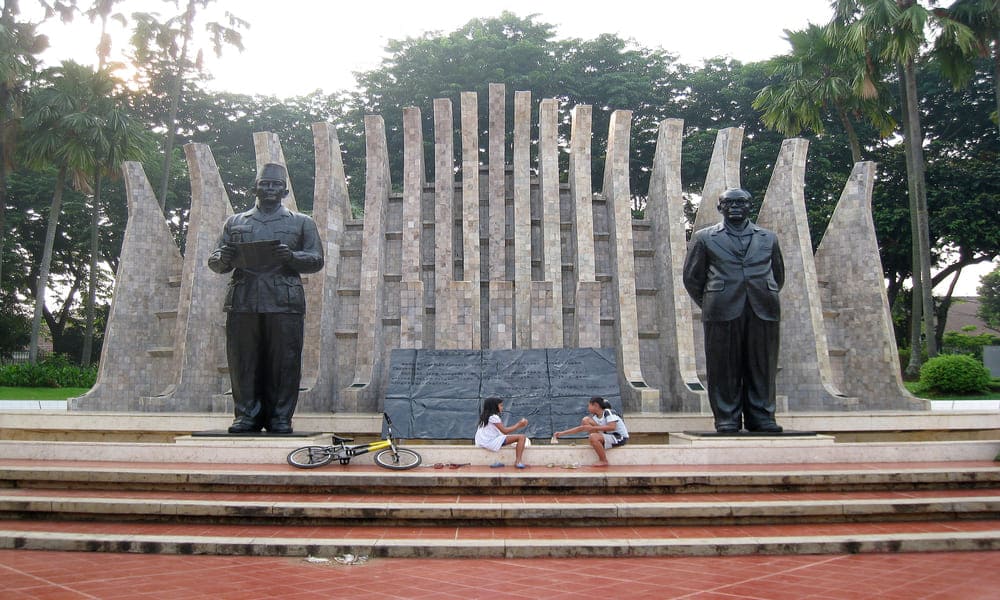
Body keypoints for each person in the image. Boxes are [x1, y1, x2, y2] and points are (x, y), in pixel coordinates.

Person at [208, 163, 324, 434]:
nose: (270, 189)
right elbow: (216, 261)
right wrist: (221, 259)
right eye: (265, 184)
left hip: (284, 300)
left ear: (284, 191)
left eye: (275, 185)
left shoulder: (301, 222)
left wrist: (292, 257)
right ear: (255, 188)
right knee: (243, 360)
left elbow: (316, 259)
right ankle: (246, 416)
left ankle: (280, 417)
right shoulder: (235, 222)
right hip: (243, 299)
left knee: (284, 361)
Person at [682, 187, 784, 433]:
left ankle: (762, 417)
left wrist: (762, 292)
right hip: (721, 308)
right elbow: (692, 278)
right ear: (720, 208)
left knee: (763, 364)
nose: (735, 207)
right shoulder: (705, 237)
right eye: (729, 203)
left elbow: (778, 275)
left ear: (750, 206)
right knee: (723, 365)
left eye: (741, 202)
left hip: (763, 306)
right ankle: (726, 417)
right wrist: (710, 301)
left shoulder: (768, 238)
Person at [552, 396, 629, 466]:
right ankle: (597, 443)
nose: (588, 407)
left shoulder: (608, 412)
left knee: (593, 437)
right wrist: (561, 433)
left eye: (589, 405)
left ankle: (603, 460)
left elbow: (612, 427)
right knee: (586, 420)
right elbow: (582, 428)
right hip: (607, 436)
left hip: (619, 437)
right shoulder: (595, 417)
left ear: (595, 405)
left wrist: (593, 429)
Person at [474, 397, 530, 468]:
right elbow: (505, 431)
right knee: (522, 437)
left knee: (514, 439)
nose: (502, 407)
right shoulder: (493, 417)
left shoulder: (485, 416)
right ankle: (518, 462)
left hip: (483, 441)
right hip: (490, 442)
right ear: (494, 407)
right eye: (501, 405)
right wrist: (518, 425)